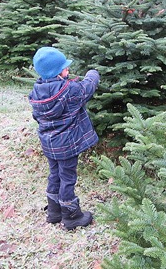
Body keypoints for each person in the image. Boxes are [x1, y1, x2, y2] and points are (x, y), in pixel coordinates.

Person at [28, 46, 100, 230]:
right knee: (67, 177)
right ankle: (71, 215)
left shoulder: (37, 90)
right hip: (67, 146)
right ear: (57, 72)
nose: (68, 70)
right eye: (65, 68)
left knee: (55, 174)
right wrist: (93, 73)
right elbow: (87, 88)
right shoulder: (69, 90)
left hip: (49, 144)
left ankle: (54, 211)